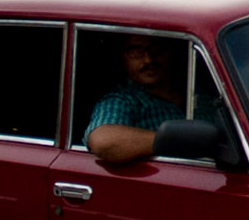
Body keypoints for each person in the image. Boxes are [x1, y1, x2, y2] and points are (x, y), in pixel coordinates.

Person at [85, 33, 211, 163]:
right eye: (136, 51)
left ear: (170, 51)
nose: (148, 60)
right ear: (123, 58)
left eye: (157, 49)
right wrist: (176, 140)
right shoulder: (123, 101)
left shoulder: (198, 91)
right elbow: (103, 141)